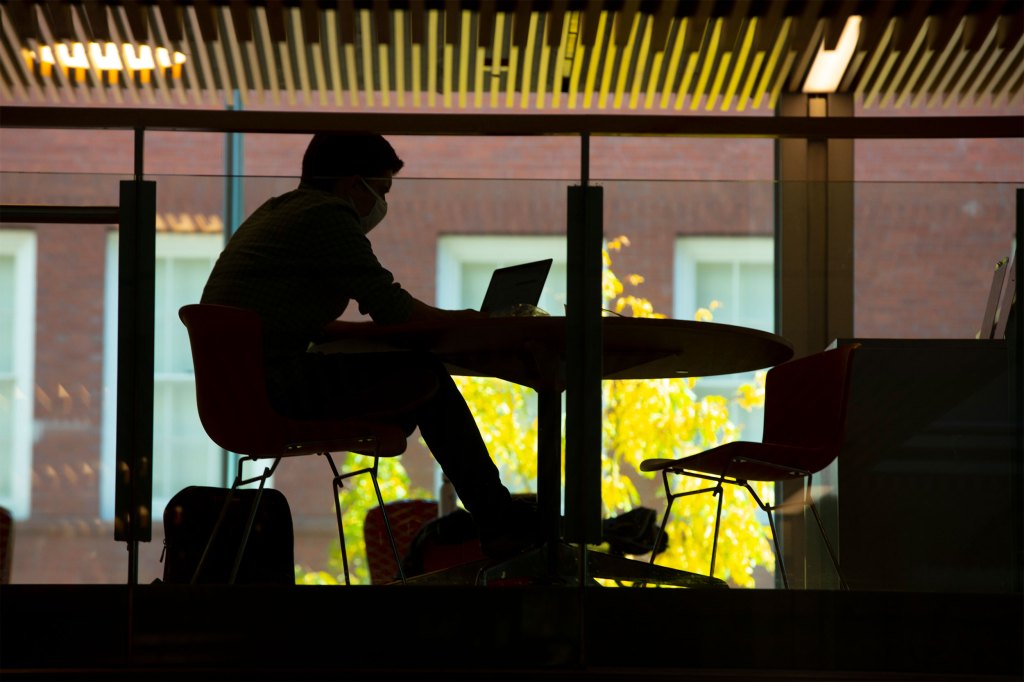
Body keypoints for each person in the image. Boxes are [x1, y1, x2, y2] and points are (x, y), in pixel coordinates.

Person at [200, 131, 536, 558]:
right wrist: (471, 322)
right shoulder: (327, 215)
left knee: (414, 380)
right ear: (352, 183)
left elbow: (314, 325)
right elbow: (392, 307)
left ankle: (496, 516)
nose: (382, 206)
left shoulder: (279, 212)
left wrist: (371, 337)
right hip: (276, 387)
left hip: (243, 391)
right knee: (426, 378)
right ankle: (500, 523)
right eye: (381, 191)